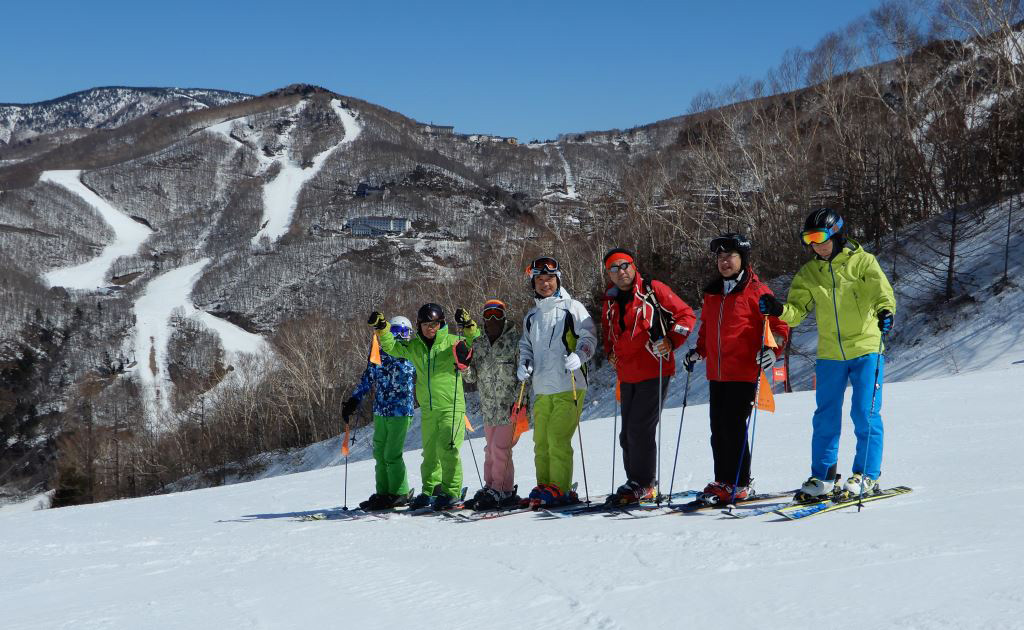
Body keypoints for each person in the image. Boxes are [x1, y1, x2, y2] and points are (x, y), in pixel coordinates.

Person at [758, 209, 895, 500]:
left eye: (820, 237)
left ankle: (867, 475)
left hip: (867, 348)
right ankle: (823, 477)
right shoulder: (809, 273)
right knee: (825, 417)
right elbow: (795, 314)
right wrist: (778, 309)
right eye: (809, 239)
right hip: (831, 353)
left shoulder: (862, 262)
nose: (815, 245)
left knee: (864, 412)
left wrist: (886, 313)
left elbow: (883, 294)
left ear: (836, 233)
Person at [684, 234, 790, 504]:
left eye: (730, 256)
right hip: (717, 373)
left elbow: (779, 327)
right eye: (720, 257)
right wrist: (699, 351)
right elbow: (707, 328)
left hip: (744, 371)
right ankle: (723, 480)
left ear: (743, 259)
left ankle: (741, 483)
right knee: (718, 429)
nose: (724, 262)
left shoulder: (757, 291)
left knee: (734, 426)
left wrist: (772, 350)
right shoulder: (713, 292)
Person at [601, 248, 695, 504]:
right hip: (627, 373)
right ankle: (635, 482)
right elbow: (609, 335)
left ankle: (644, 484)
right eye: (614, 268)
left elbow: (686, 315)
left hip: (655, 369)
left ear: (634, 265)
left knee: (640, 429)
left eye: (625, 266)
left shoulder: (652, 290)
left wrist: (672, 340)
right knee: (627, 435)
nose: (621, 272)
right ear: (608, 274)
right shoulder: (609, 300)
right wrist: (610, 352)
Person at [369, 303, 480, 510]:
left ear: (442, 323)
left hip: (451, 406)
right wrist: (383, 329)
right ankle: (431, 489)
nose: (431, 328)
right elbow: (392, 347)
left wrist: (468, 326)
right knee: (429, 453)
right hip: (428, 409)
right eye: (427, 324)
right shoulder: (415, 347)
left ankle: (451, 491)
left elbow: (475, 341)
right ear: (419, 325)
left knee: (448, 449)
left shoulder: (451, 342)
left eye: (436, 324)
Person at [518, 257, 598, 506]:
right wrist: (524, 363)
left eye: (549, 279)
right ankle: (545, 485)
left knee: (557, 438)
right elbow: (526, 345)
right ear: (533, 283)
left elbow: (589, 335)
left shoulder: (572, 307)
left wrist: (580, 354)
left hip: (569, 384)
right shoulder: (531, 316)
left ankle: (560, 488)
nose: (545, 284)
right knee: (540, 441)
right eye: (540, 280)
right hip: (541, 388)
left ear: (558, 279)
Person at [343, 316, 418, 511]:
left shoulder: (412, 353)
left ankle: (400, 492)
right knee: (379, 453)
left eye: (405, 332)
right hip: (381, 410)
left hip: (401, 411)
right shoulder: (380, 354)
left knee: (392, 453)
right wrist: (354, 400)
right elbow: (368, 378)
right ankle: (384, 493)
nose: (401, 337)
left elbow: (429, 372)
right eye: (396, 332)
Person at [462, 299, 523, 510]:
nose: (493, 319)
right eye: (489, 315)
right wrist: (463, 367)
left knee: (500, 448)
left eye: (498, 314)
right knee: (490, 449)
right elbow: (472, 378)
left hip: (511, 407)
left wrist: (519, 401)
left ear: (504, 316)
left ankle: (502, 489)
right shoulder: (478, 343)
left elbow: (525, 375)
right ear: (483, 319)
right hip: (489, 407)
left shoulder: (515, 341)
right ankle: (490, 487)